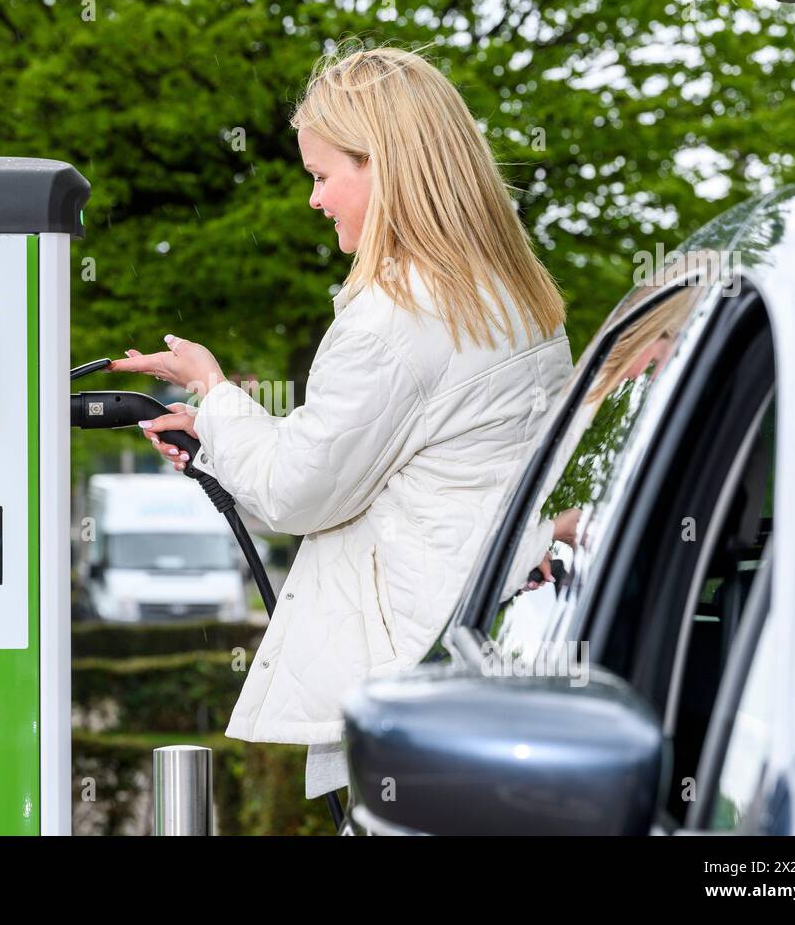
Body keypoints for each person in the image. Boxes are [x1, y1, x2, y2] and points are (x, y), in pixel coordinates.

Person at [108, 42, 573, 804]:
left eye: (323, 177)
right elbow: (358, 474)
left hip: (414, 681)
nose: (315, 200)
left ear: (385, 167)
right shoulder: (514, 299)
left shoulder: (395, 315)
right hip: (491, 648)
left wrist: (214, 388)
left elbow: (299, 495)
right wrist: (217, 438)